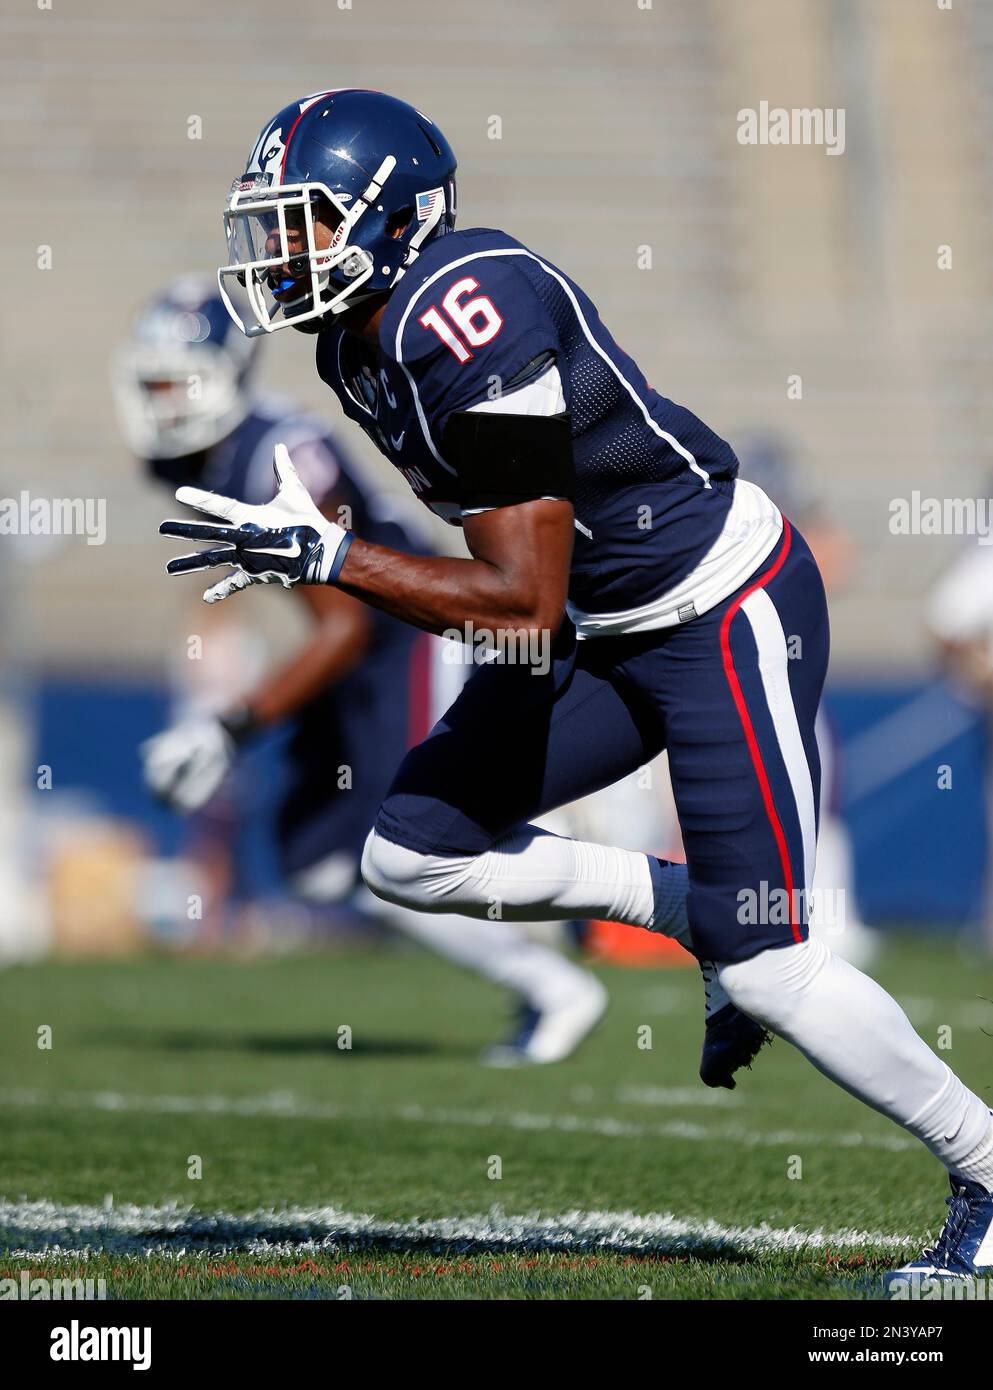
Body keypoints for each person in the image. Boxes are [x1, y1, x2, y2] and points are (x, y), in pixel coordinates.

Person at [160, 91, 992, 1277]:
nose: (282, 252)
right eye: (274, 225)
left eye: (306, 222)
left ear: (394, 221)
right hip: (595, 620)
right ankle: (693, 912)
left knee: (774, 959)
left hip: (715, 605)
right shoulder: (356, 337)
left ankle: (986, 1164)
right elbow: (525, 585)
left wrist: (336, 557)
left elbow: (518, 597)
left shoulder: (466, 311)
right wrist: (339, 554)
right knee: (411, 852)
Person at [117, 274, 608, 1063]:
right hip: (355, 660)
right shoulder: (217, 454)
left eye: (178, 381)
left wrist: (229, 726)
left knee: (397, 853)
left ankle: (558, 977)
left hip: (406, 644)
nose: (163, 400)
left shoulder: (283, 456)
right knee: (315, 868)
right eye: (154, 383)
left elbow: (344, 627)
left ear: (228, 374)